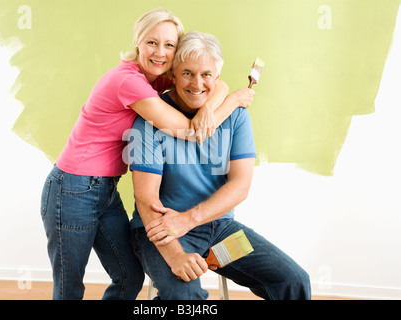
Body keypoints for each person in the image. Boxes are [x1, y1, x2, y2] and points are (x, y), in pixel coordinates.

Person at [40, 8, 253, 300]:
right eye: (152, 42)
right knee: (69, 286)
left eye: (169, 45)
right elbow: (190, 130)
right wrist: (234, 102)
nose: (161, 52)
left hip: (105, 188)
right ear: (138, 41)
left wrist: (214, 102)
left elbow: (214, 83)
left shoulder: (154, 78)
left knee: (129, 277)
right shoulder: (128, 81)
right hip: (73, 187)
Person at [126, 31, 311, 300]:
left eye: (206, 75)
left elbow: (240, 186)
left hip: (221, 230)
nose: (197, 83)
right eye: (187, 73)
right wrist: (176, 255)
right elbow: (145, 199)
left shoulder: (235, 117)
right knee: (185, 297)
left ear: (217, 76)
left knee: (293, 281)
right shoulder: (148, 119)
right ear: (174, 74)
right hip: (162, 231)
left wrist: (191, 218)